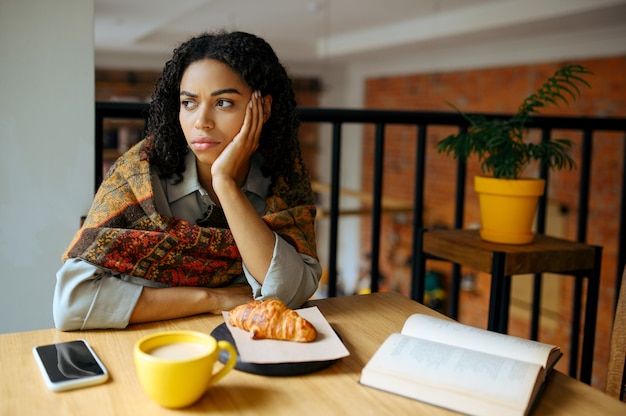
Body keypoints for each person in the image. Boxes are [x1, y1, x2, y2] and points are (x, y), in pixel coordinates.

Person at [53, 31, 321, 331]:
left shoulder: (283, 175)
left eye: (223, 102)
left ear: (263, 108)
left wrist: (225, 183)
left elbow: (291, 294)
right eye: (189, 103)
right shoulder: (138, 176)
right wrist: (212, 298)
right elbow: (72, 305)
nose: (201, 121)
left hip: (244, 346)